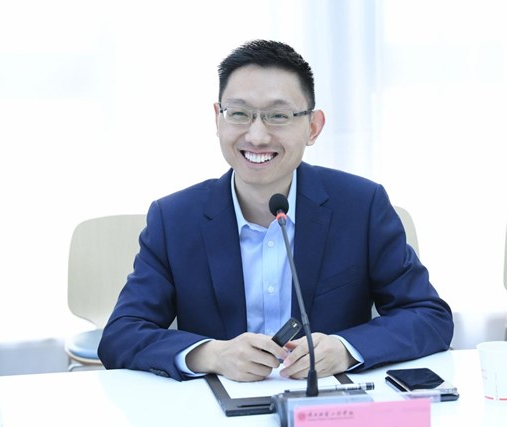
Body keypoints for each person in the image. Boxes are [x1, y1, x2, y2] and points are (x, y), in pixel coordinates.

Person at [98, 39, 453, 382]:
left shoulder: (361, 206)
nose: (257, 136)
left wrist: (345, 349)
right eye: (239, 113)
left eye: (278, 116)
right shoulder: (174, 219)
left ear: (313, 127)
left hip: (327, 404)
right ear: (218, 119)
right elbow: (121, 335)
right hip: (213, 405)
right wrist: (212, 355)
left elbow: (428, 316)